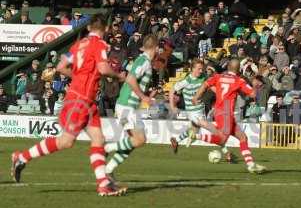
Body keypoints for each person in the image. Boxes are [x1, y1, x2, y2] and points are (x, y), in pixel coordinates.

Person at [11, 14, 127, 197]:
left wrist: (79, 77)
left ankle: (103, 184)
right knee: (66, 141)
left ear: (88, 28)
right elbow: (104, 69)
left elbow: (60, 66)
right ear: (105, 29)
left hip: (85, 100)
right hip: (81, 100)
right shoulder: (100, 45)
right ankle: (22, 156)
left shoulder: (78, 45)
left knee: (98, 139)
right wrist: (120, 76)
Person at [190, 59, 267, 173]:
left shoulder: (218, 77)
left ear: (228, 67)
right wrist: (255, 84)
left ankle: (251, 164)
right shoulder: (238, 80)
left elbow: (205, 85)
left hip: (219, 110)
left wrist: (195, 97)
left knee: (242, 137)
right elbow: (253, 94)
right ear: (238, 69)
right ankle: (195, 136)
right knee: (222, 140)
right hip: (226, 111)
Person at [104, 34, 159, 178]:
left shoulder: (142, 60)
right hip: (127, 106)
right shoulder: (145, 61)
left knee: (134, 142)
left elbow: (133, 79)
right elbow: (130, 78)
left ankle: (109, 170)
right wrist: (144, 97)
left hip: (128, 106)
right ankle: (107, 147)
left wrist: (147, 95)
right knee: (139, 140)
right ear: (155, 48)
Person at [169, 59, 232, 161]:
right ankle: (227, 153)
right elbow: (172, 90)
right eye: (199, 69)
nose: (201, 71)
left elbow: (212, 87)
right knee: (214, 130)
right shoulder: (186, 81)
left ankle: (176, 140)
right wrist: (172, 106)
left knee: (194, 130)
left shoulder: (203, 78)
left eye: (202, 69)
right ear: (192, 69)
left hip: (201, 111)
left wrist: (223, 95)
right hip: (192, 113)